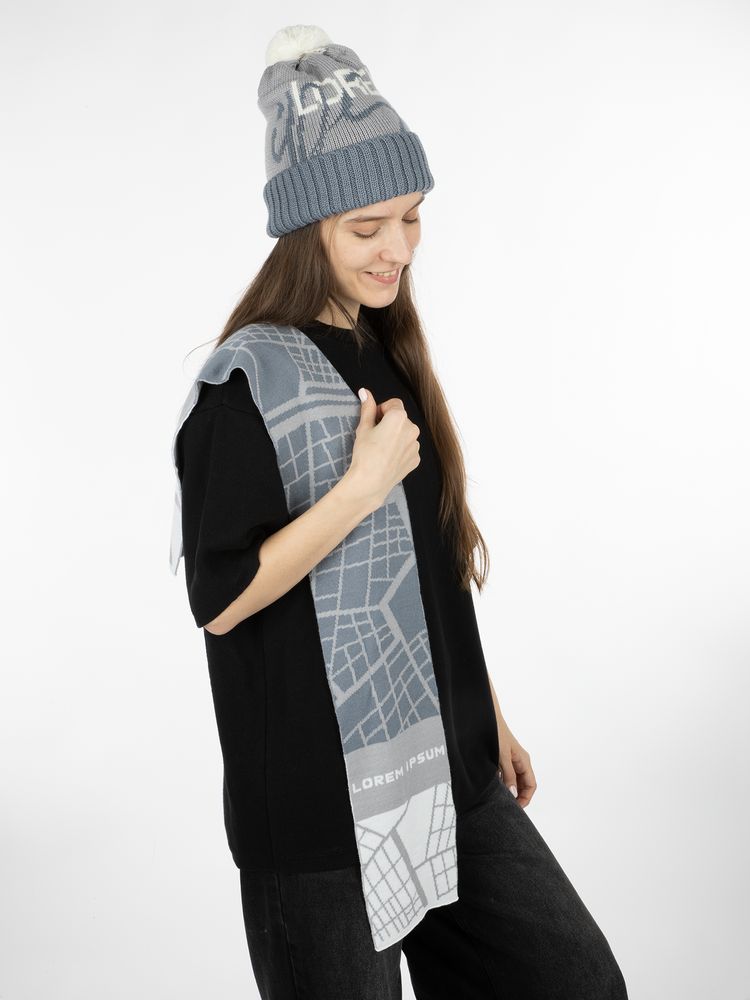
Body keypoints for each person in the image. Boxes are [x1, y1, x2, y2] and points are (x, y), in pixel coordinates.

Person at [171, 23, 630, 1000]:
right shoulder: (244, 383)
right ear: (308, 228)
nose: (399, 249)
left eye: (412, 218)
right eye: (368, 227)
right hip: (320, 813)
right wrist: (359, 488)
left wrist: (487, 717)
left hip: (444, 769)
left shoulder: (385, 351)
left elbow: (429, 565)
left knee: (577, 982)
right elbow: (222, 597)